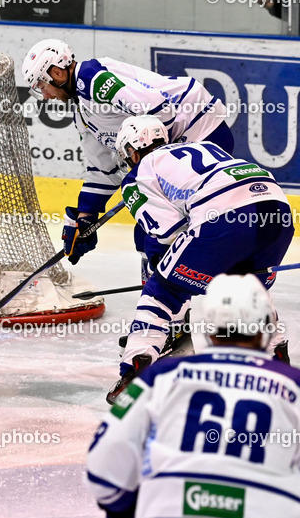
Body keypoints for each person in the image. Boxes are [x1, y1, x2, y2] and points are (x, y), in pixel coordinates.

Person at [86, 274, 300, 518]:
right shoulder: (293, 387)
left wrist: (121, 507)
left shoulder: (160, 377)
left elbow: (107, 454)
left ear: (209, 328)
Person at [105, 116, 292, 404]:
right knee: (250, 286)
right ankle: (278, 361)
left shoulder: (139, 174)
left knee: (163, 290)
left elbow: (165, 234)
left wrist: (168, 272)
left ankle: (134, 376)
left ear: (132, 150)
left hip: (225, 216)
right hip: (277, 211)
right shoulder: (202, 147)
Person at [21, 39, 233, 277]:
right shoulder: (81, 112)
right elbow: (103, 170)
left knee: (161, 224)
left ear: (57, 73)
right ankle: (160, 287)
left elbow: (161, 110)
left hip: (201, 129)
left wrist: (145, 170)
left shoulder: (94, 80)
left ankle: (169, 292)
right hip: (182, 140)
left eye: (41, 86)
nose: (45, 96)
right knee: (152, 226)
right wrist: (86, 216)